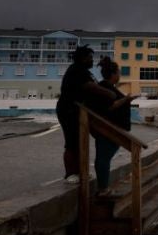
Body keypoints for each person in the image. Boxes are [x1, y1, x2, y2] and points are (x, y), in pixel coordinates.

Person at [57, 45, 116, 183]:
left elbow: (94, 85)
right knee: (72, 142)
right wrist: (109, 93)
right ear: (82, 59)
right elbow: (90, 86)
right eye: (89, 58)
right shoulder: (76, 70)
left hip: (80, 111)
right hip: (68, 111)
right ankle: (70, 173)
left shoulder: (85, 71)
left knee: (80, 141)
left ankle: (81, 171)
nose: (92, 60)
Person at [89, 57, 138, 195]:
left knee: (104, 158)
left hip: (112, 130)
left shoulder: (107, 87)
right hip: (107, 130)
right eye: (118, 73)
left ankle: (103, 187)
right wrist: (126, 99)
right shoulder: (104, 88)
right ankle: (103, 189)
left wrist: (126, 99)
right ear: (113, 74)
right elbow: (109, 107)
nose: (119, 75)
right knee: (103, 158)